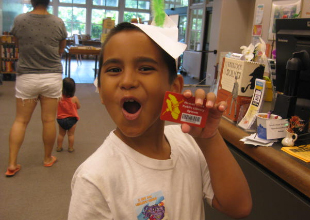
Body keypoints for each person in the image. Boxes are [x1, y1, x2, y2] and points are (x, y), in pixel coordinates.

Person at [68, 20, 252, 219]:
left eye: (145, 68)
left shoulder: (189, 143)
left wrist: (209, 138)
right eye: (114, 70)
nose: (128, 81)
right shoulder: (94, 178)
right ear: (101, 91)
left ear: (174, 88)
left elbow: (238, 206)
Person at [5, 0, 67, 177]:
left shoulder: (19, 20)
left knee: (20, 121)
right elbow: (60, 49)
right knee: (48, 120)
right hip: (51, 76)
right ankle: (47, 158)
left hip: (27, 77)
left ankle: (11, 163)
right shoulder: (58, 22)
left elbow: (18, 44)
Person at [56, 77, 81, 153]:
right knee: (71, 135)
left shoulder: (59, 98)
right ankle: (70, 148)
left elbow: (55, 105)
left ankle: (59, 147)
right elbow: (79, 107)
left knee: (61, 134)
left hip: (61, 119)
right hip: (72, 119)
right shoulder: (74, 98)